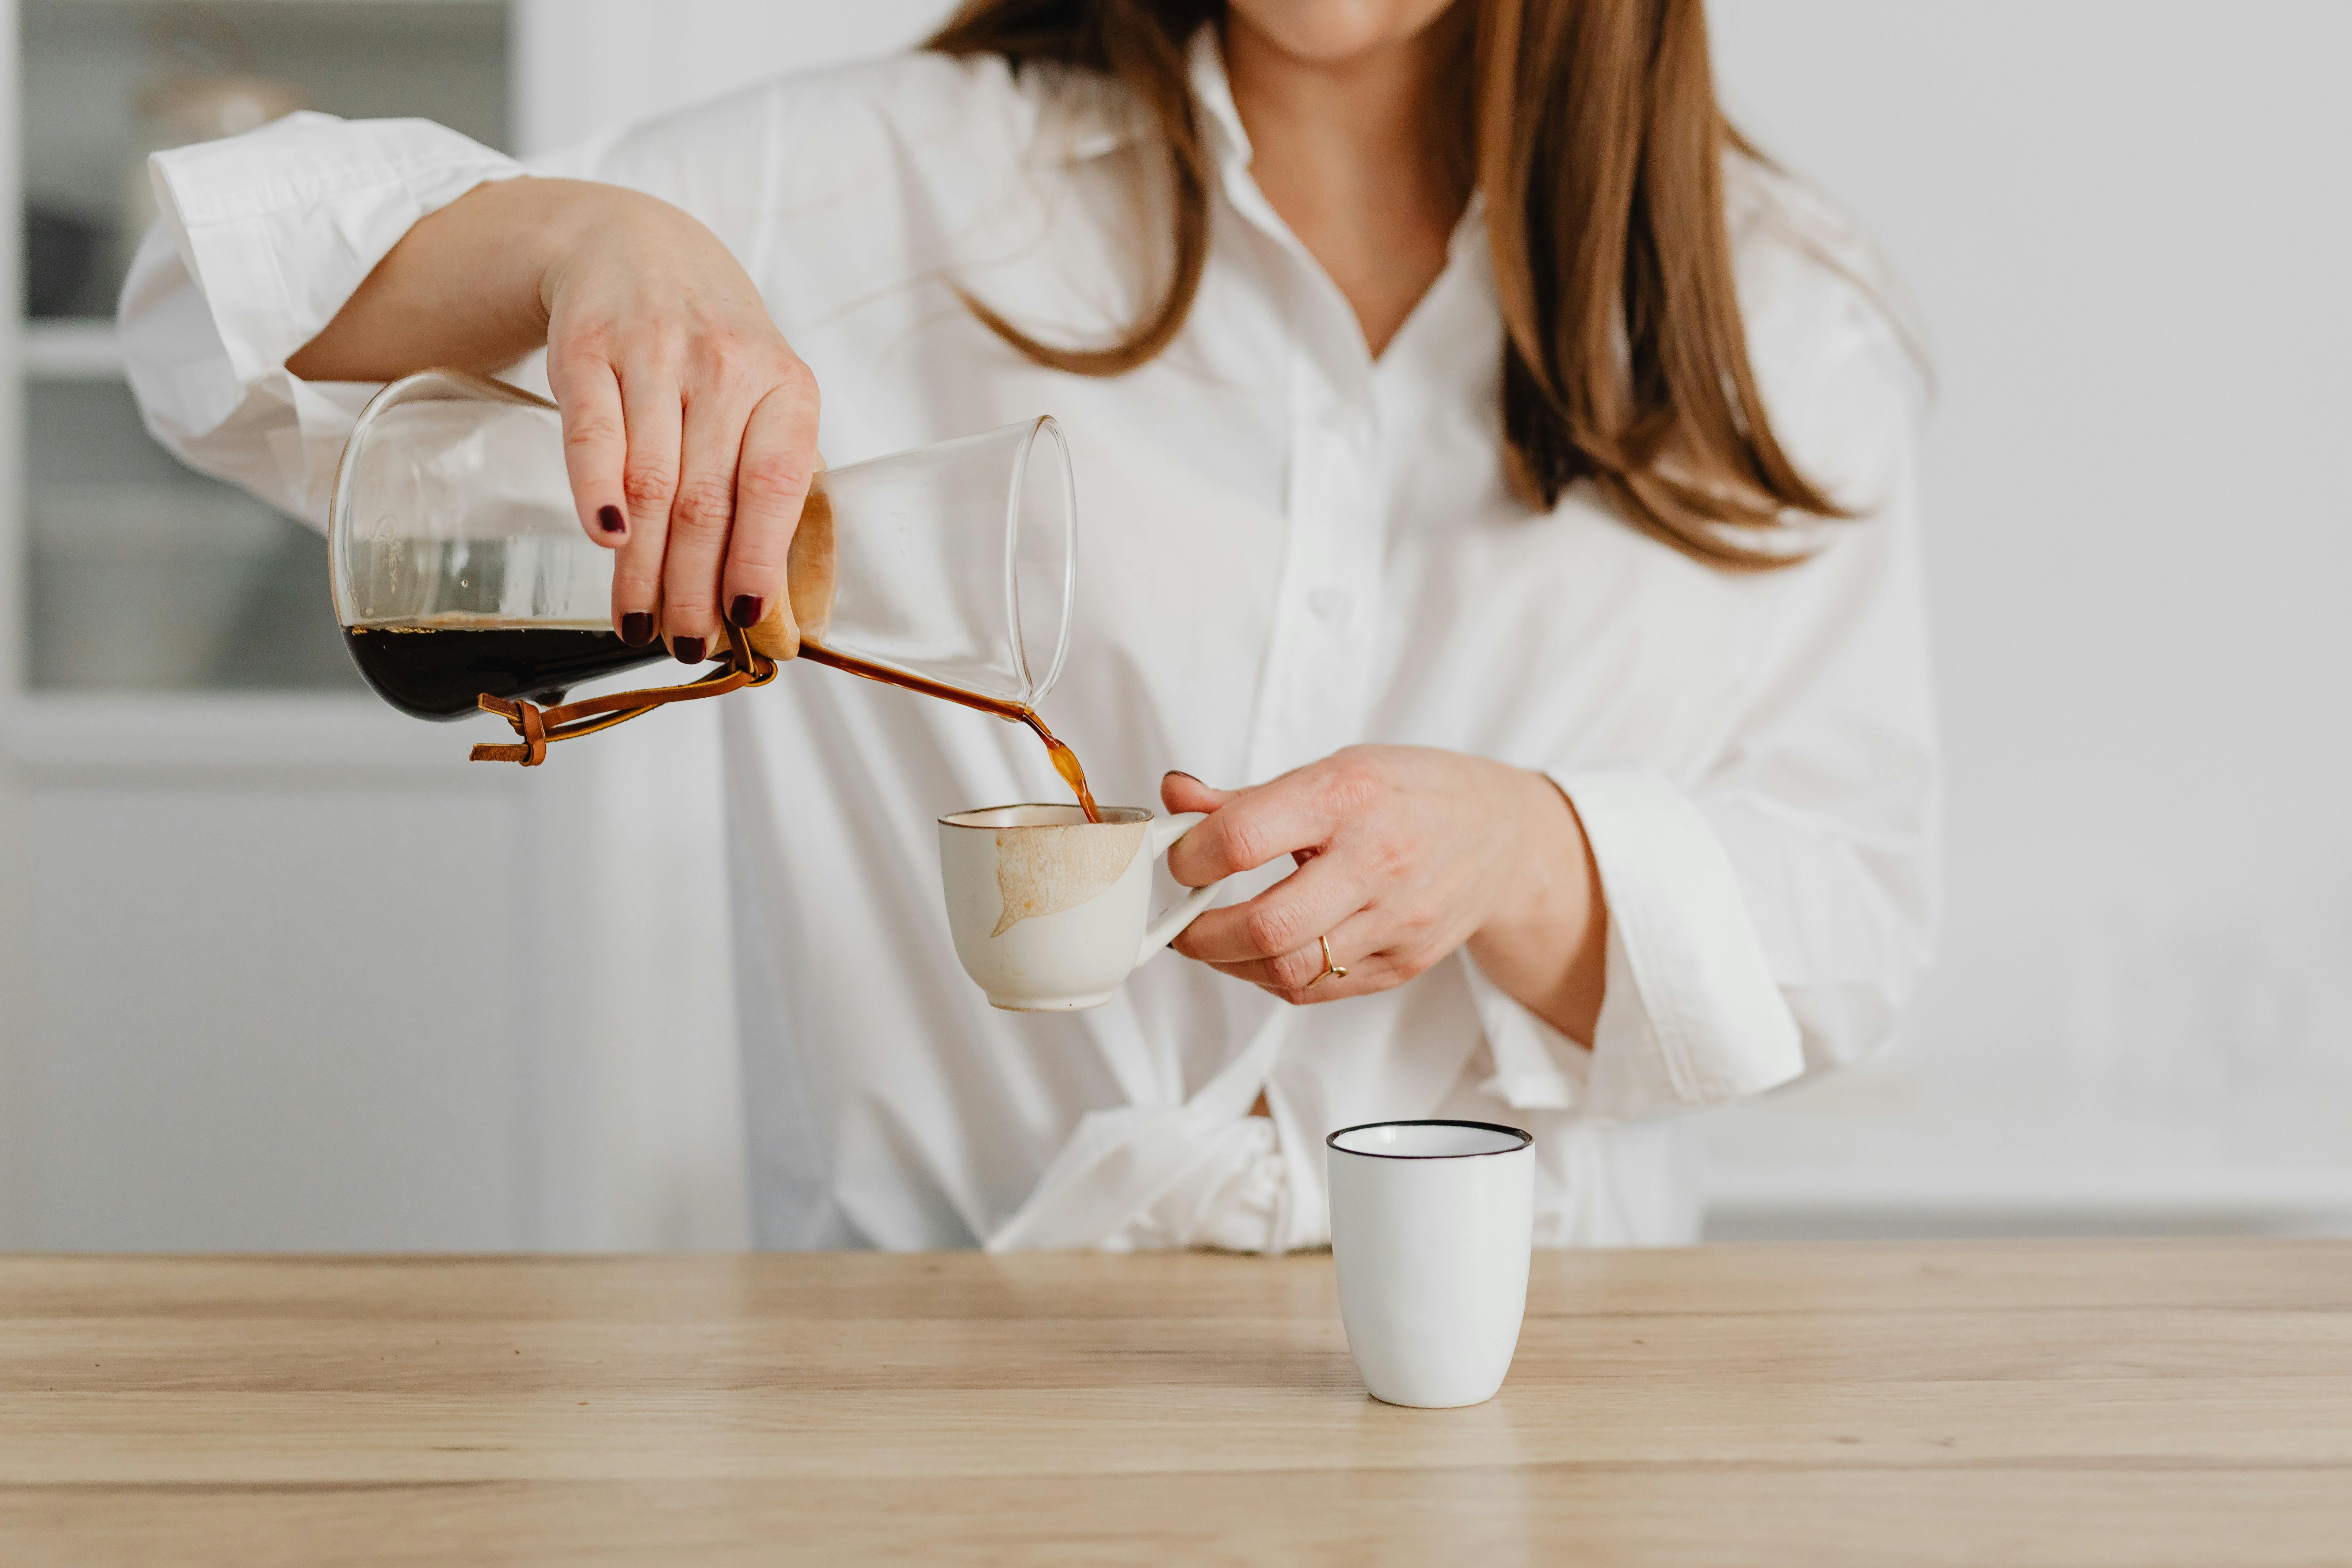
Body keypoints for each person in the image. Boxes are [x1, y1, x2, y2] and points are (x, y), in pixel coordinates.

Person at [120, 0, 1936, 1250]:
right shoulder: (875, 184)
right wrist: (577, 240)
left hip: (1527, 1407)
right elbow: (201, 320)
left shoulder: (1772, 313)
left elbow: (1853, 916)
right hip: (929, 1400)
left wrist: (1530, 855)